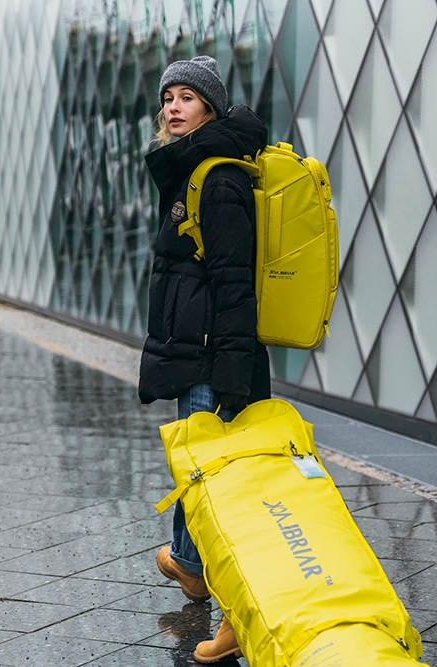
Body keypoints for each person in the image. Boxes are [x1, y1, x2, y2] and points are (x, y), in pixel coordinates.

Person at [139, 55, 270, 663]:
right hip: (200, 351)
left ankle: (235, 614)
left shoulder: (217, 179)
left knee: (217, 488)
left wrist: (232, 372)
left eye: (187, 98)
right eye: (168, 97)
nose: (173, 107)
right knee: (199, 475)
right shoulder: (193, 169)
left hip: (215, 359)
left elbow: (233, 281)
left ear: (210, 109)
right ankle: (191, 566)